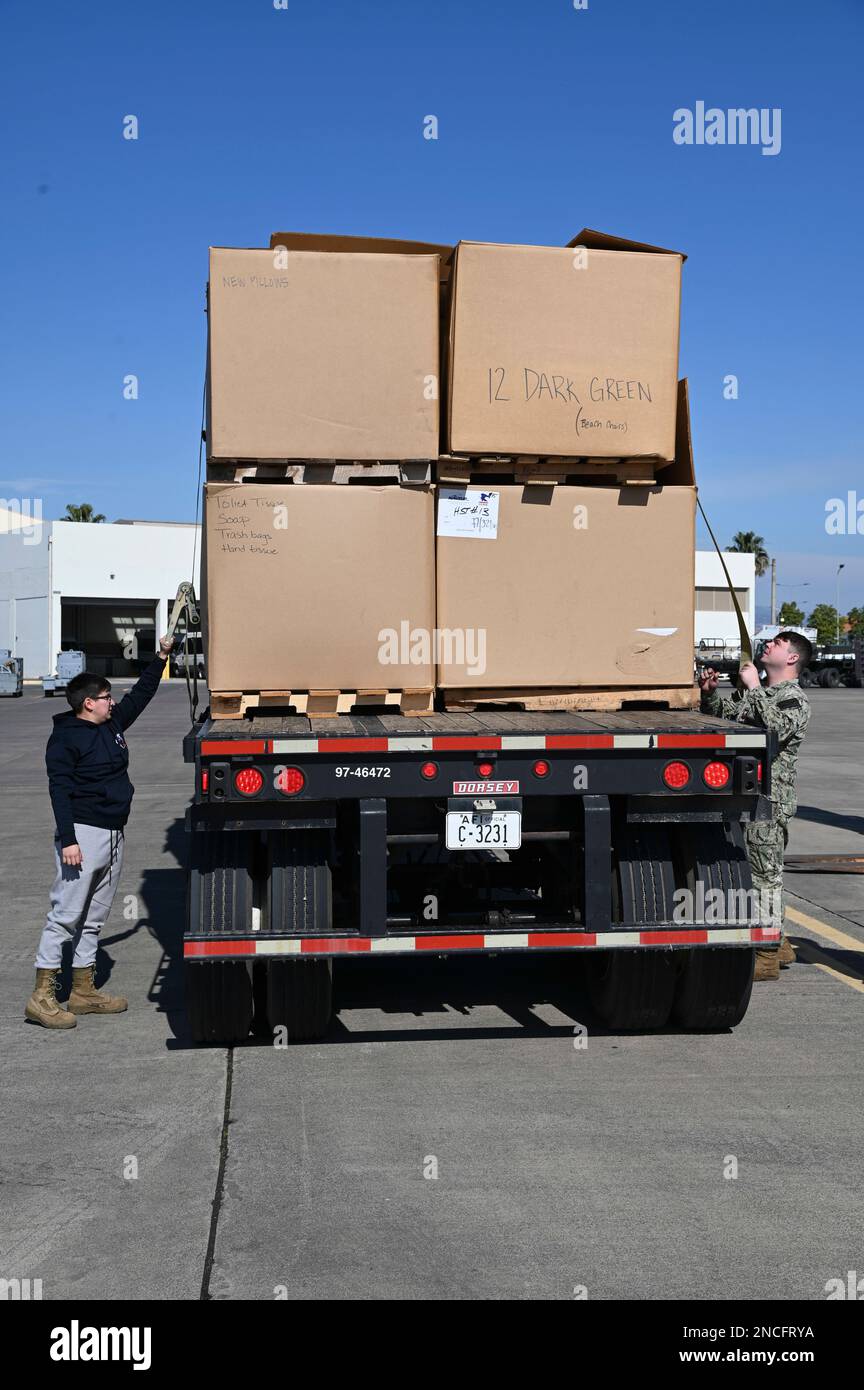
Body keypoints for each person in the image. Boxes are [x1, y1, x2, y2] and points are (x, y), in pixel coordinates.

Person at [26, 637, 174, 1029]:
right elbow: (58, 789)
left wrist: (160, 658)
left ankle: (83, 990)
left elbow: (141, 695)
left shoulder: (112, 724)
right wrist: (69, 839)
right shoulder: (65, 739)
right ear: (87, 702)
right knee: (66, 915)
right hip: (84, 835)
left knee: (94, 916)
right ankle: (41, 996)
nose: (113, 701)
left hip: (113, 833)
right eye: (106, 697)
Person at [699, 631, 812, 981]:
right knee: (758, 873)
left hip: (770, 799)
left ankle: (765, 955)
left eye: (777, 643)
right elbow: (727, 714)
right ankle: (778, 943)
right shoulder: (763, 692)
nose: (768, 645)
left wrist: (753, 687)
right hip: (748, 795)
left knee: (764, 877)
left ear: (792, 658)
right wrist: (710, 693)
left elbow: (774, 729)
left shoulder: (795, 699)